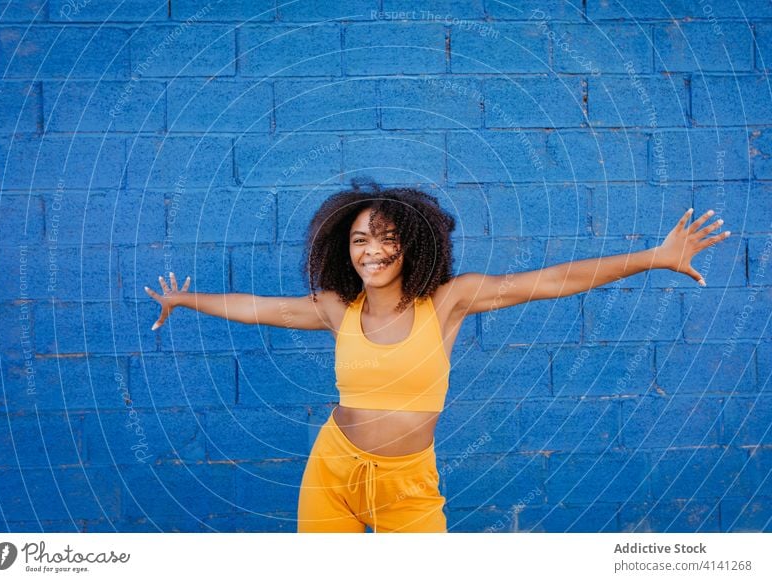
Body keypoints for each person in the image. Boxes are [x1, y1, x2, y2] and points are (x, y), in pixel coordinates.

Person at [144, 179, 730, 533]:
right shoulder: (334, 308)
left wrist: (653, 256)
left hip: (408, 486)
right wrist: (185, 299)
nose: (372, 251)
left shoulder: (447, 302)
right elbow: (256, 308)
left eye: (386, 238)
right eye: (359, 241)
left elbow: (551, 281)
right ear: (343, 251)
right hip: (332, 471)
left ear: (412, 243)